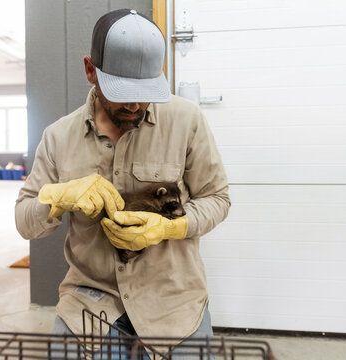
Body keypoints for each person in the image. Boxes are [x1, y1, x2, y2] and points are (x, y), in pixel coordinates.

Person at [15, 8, 230, 359]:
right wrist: (57, 197)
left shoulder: (186, 120)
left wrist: (170, 227)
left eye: (144, 91)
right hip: (90, 299)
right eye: (121, 90)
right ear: (90, 70)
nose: (134, 103)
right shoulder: (58, 137)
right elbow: (24, 221)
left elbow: (217, 198)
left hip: (173, 299)